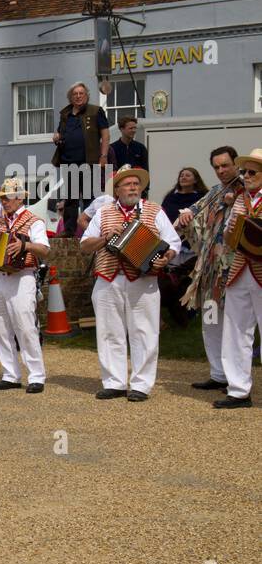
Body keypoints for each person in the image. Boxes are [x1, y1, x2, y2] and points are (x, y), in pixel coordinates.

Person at [80, 166, 180, 401]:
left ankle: (141, 385)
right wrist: (105, 238)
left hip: (142, 279)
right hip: (108, 277)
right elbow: (84, 245)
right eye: (127, 184)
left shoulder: (154, 210)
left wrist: (165, 258)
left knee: (144, 331)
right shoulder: (103, 212)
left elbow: (173, 242)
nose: (133, 187)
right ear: (117, 190)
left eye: (136, 183)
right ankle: (114, 382)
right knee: (108, 332)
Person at [175, 147, 242, 390]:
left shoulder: (247, 189)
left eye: (225, 165)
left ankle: (237, 379)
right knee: (211, 321)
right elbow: (193, 211)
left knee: (235, 326)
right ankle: (218, 374)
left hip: (237, 270)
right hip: (210, 271)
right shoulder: (214, 192)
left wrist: (235, 203)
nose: (221, 171)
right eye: (217, 167)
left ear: (236, 163)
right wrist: (185, 217)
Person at [0, 179, 51, 392]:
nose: (4, 202)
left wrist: (25, 245)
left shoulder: (34, 221)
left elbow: (45, 250)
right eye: (2, 198)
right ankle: (10, 374)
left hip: (23, 276)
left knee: (25, 325)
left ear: (20, 198)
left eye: (8, 198)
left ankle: (36, 376)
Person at [213, 148, 262, 409]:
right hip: (240, 268)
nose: (246, 176)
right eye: (244, 172)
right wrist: (233, 231)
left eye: (252, 172)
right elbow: (230, 237)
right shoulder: (242, 198)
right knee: (235, 330)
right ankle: (238, 390)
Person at [51, 82, 111, 236]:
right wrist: (56, 137)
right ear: (70, 97)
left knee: (90, 198)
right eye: (75, 94)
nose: (78, 96)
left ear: (87, 95)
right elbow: (60, 133)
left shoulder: (96, 111)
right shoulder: (65, 114)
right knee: (70, 199)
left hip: (90, 162)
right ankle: (69, 231)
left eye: (81, 93)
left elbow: (105, 134)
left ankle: (92, 230)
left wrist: (103, 156)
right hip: (69, 161)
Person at [158, 167, 207, 328]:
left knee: (192, 278)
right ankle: (178, 310)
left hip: (194, 245)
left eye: (188, 175)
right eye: (181, 175)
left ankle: (193, 309)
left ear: (195, 179)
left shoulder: (201, 198)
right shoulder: (170, 198)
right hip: (175, 245)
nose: (184, 177)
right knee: (174, 279)